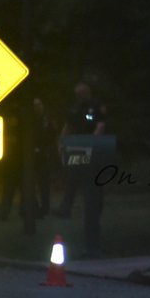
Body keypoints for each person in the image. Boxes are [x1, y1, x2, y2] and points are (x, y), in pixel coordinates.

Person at [53, 82, 106, 218]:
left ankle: (95, 208)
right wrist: (62, 141)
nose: (79, 96)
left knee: (93, 180)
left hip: (92, 147)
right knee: (72, 178)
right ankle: (66, 208)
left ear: (87, 93)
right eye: (77, 94)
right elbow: (68, 125)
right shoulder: (74, 107)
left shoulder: (95, 106)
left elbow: (100, 125)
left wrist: (93, 141)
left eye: (81, 94)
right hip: (76, 146)